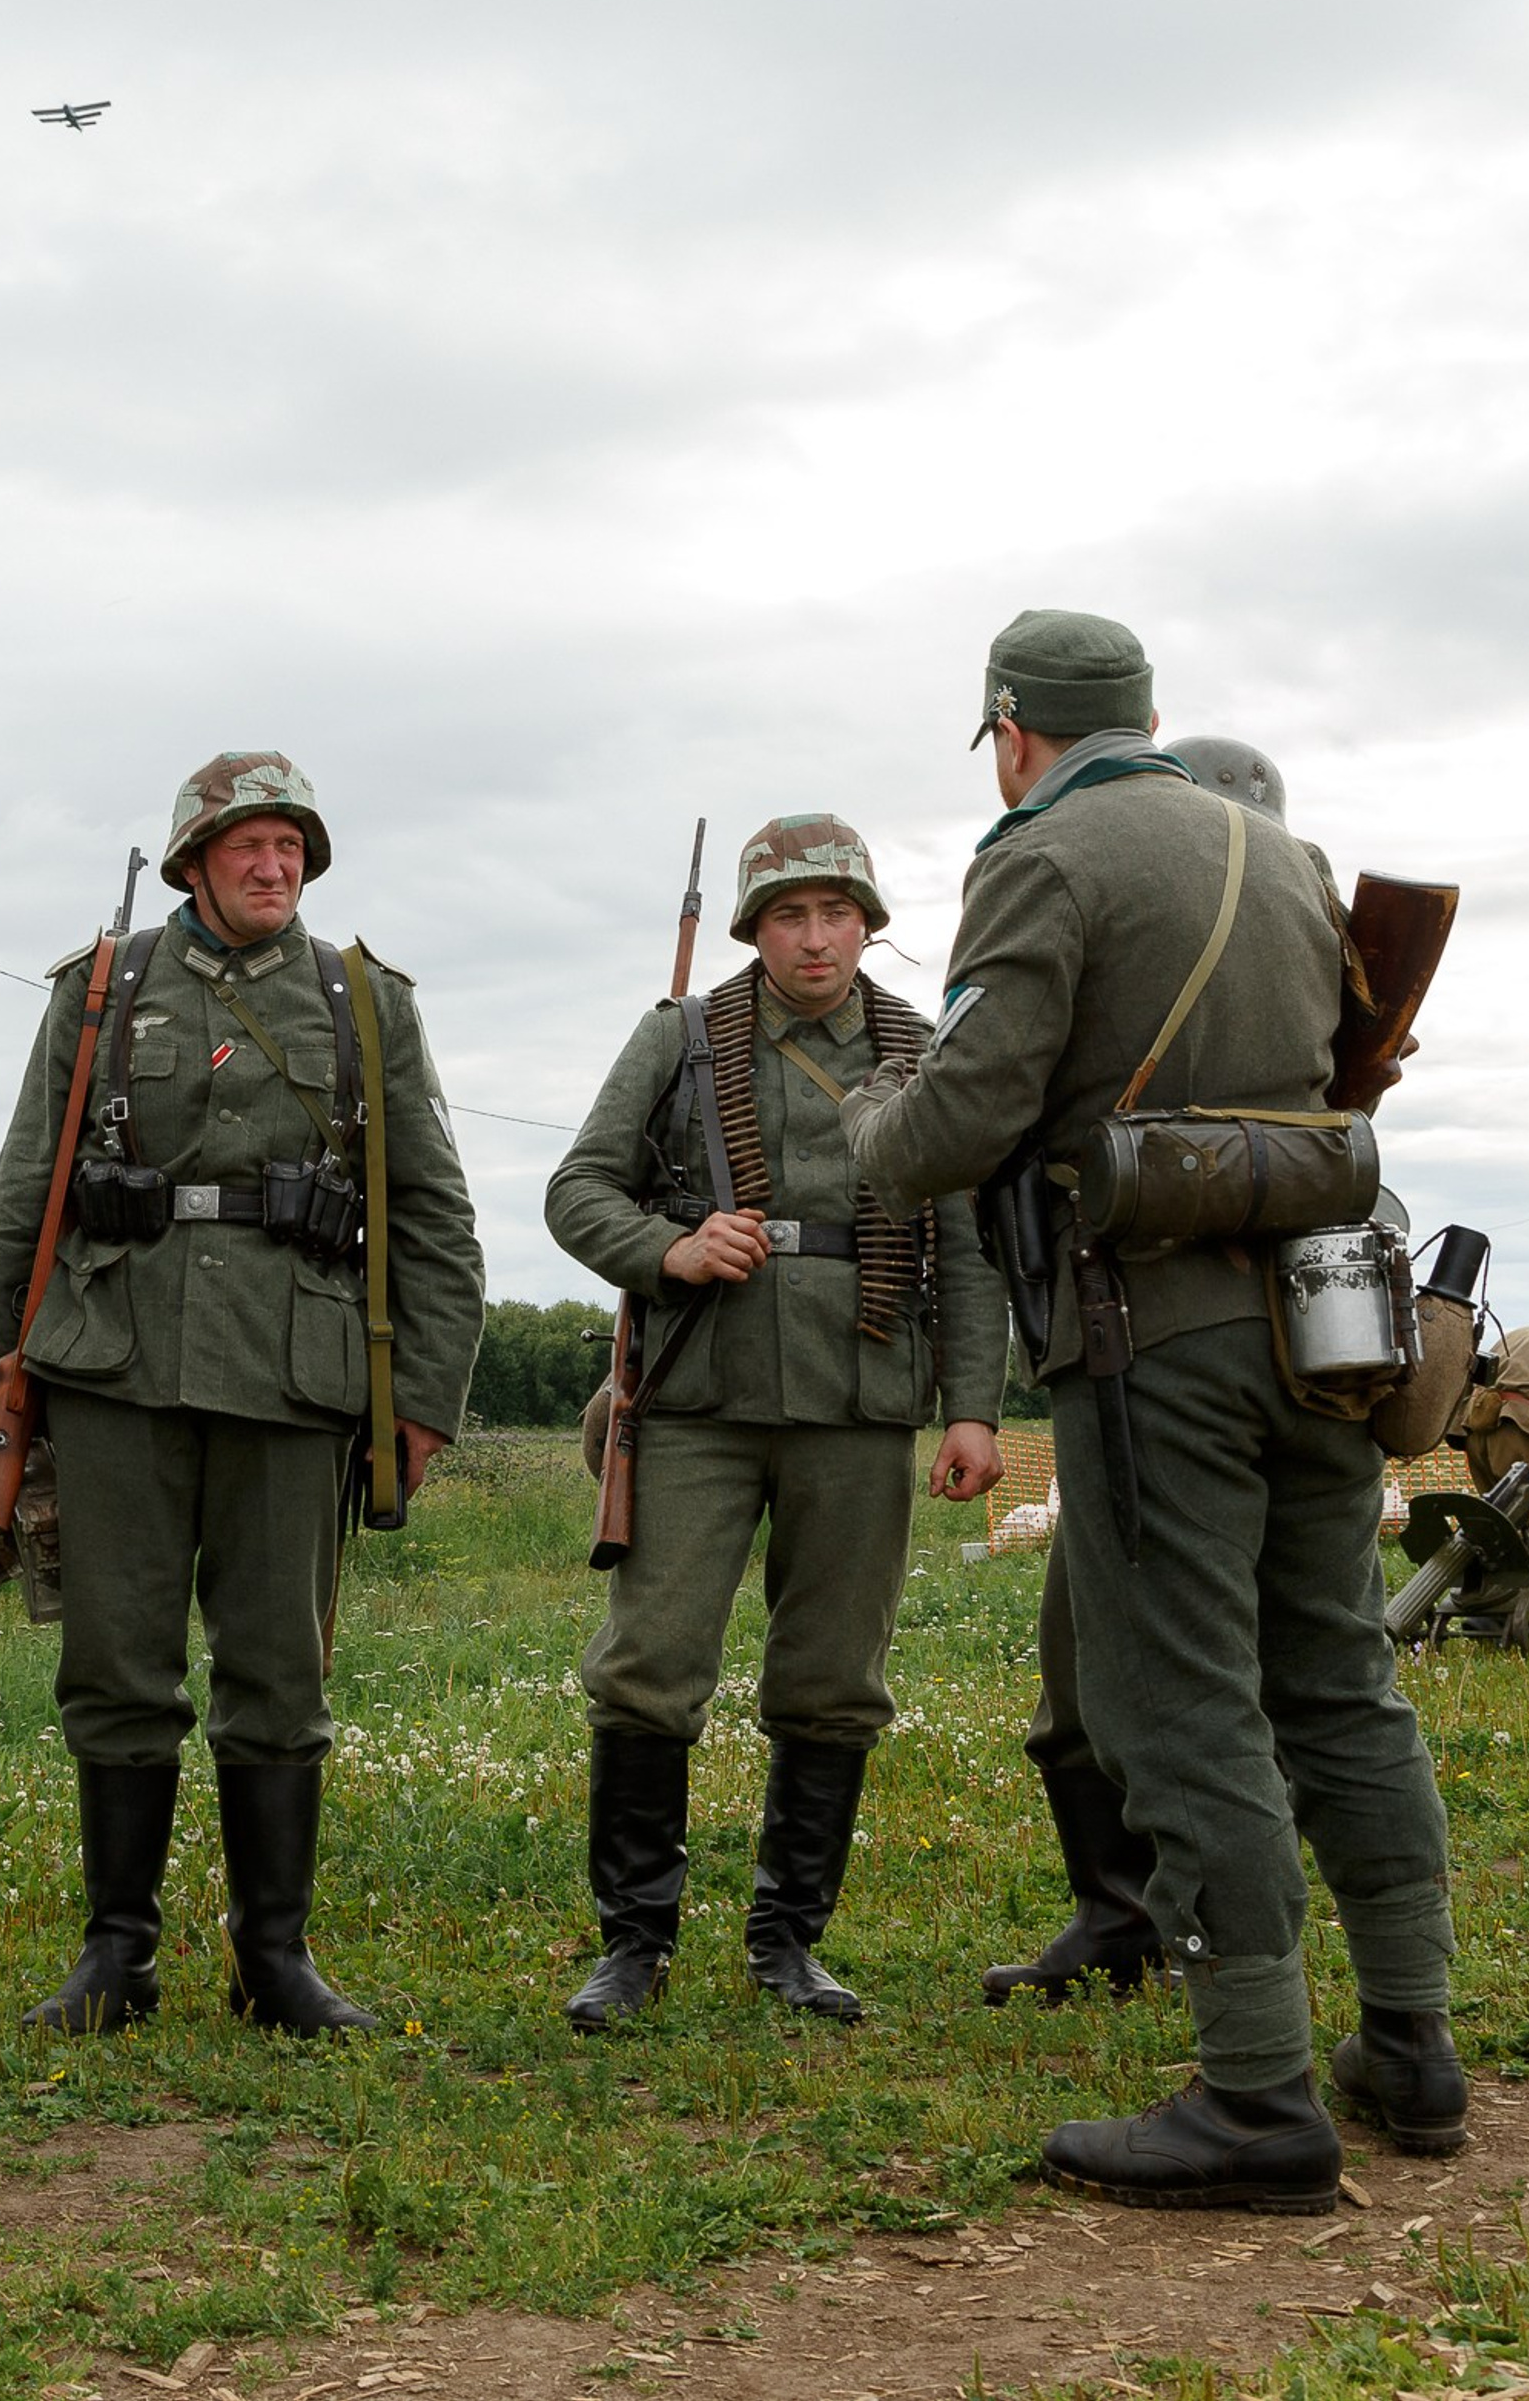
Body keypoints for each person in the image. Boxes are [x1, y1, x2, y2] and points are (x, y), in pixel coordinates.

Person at [844, 610, 1462, 2210]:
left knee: (1178, 1702)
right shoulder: (1286, 856)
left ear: (1013, 729)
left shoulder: (1045, 854)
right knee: (1337, 1677)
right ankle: (1410, 2044)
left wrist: (863, 1122)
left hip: (1151, 1340)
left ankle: (1258, 2096)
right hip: (1325, 1334)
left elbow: (961, 1116)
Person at [0, 752, 483, 2038]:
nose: (274, 866)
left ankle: (275, 1960)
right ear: (193, 858)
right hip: (113, 1363)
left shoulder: (361, 1000)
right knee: (115, 1663)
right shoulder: (104, 988)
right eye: (248, 845)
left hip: (293, 1372)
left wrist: (422, 1397)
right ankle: (117, 1956)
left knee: (277, 1673)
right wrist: (3, 1374)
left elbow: (430, 1209)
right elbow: (26, 1186)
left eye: (292, 847)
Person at [545, 815, 1007, 2031]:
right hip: (699, 1393)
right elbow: (577, 1188)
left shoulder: (921, 1051)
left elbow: (963, 1246)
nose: (816, 937)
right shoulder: (683, 1041)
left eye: (837, 913)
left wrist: (970, 1409)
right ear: (753, 927)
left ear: (868, 923)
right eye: (791, 915)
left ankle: (789, 1940)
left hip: (860, 1399)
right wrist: (672, 1245)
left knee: (832, 1679)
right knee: (648, 1670)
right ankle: (634, 1944)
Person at [981, 732, 1302, 2010]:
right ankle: (1125, 1918)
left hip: (1189, 1355)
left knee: (1213, 1700)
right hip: (1164, 1353)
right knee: (1084, 1680)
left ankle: (1243, 2012)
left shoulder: (1295, 971)